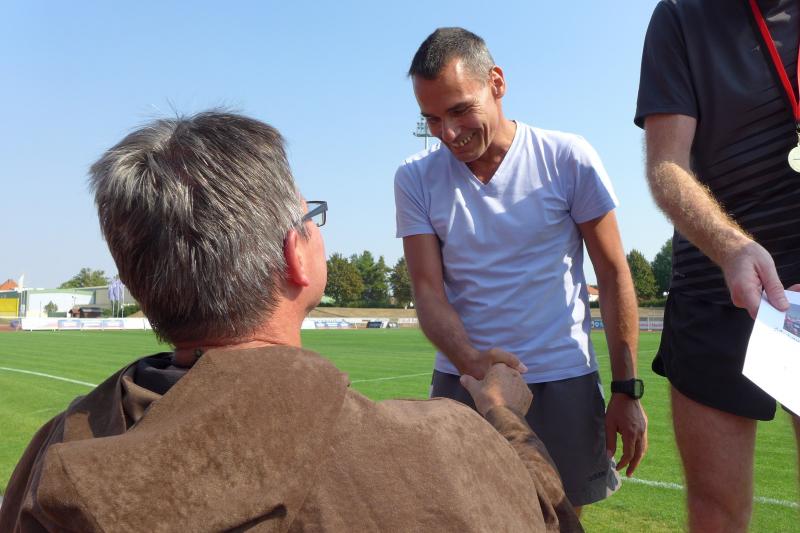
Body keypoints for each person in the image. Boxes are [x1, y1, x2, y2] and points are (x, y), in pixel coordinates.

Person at [0, 111, 582, 532]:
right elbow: (546, 514)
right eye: (310, 217)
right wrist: (504, 418)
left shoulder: (55, 451)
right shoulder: (438, 447)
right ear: (294, 257)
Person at [394, 27, 647, 512]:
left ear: (497, 83)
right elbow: (427, 292)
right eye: (432, 119)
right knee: (461, 517)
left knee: (562, 516)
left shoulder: (567, 157)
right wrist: (474, 365)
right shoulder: (414, 177)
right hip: (464, 379)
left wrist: (626, 389)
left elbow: (614, 274)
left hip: (561, 377)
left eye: (460, 110)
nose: (448, 134)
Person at [636, 1, 800, 531]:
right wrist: (730, 247)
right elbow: (666, 163)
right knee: (715, 514)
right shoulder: (682, 14)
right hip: (715, 279)